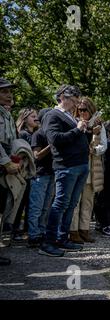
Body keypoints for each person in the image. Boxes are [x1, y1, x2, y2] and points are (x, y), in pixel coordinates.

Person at [39, 85, 90, 257]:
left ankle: (62, 238)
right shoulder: (52, 115)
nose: (75, 104)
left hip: (79, 165)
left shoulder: (69, 115)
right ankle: (48, 242)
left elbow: (75, 137)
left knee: (71, 204)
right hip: (66, 166)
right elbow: (55, 140)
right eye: (73, 100)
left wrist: (84, 129)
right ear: (62, 97)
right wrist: (77, 129)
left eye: (77, 101)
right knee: (60, 204)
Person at [69, 97, 107, 244]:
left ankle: (84, 230)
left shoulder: (99, 124)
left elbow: (104, 145)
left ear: (91, 109)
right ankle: (73, 231)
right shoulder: (74, 122)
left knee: (88, 201)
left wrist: (94, 150)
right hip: (78, 164)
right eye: (80, 110)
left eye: (85, 109)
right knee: (75, 202)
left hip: (92, 166)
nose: (82, 112)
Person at [27, 108, 54, 248]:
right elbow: (36, 156)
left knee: (46, 207)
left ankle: (42, 232)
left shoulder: (52, 133)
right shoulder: (38, 134)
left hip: (52, 174)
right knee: (36, 207)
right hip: (40, 174)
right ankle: (33, 235)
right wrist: (51, 145)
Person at [12, 108, 39, 240]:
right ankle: (14, 230)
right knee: (20, 203)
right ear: (24, 118)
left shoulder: (35, 133)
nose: (36, 118)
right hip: (23, 173)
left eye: (36, 116)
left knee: (30, 203)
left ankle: (26, 230)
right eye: (32, 116)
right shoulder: (23, 134)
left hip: (32, 173)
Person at [0, 78, 19, 266]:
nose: (9, 95)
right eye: (4, 91)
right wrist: (6, 162)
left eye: (9, 91)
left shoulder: (6, 114)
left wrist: (14, 159)